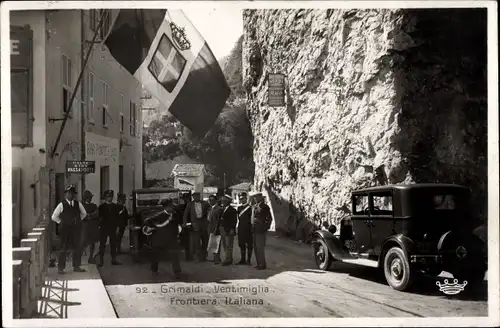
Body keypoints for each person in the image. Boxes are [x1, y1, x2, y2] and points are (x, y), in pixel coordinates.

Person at [51, 184, 88, 274]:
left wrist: (78, 221)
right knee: (63, 247)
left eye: (72, 193)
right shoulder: (61, 204)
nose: (71, 195)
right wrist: (61, 222)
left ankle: (76, 266)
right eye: (69, 193)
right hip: (65, 230)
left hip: (75, 230)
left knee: (77, 247)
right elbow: (54, 217)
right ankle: (61, 268)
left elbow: (84, 214)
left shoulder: (77, 203)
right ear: (66, 194)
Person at [143, 199, 182, 278]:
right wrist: (155, 227)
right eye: (171, 206)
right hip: (159, 239)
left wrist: (176, 235)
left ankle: (177, 272)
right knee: (156, 256)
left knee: (174, 255)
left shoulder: (175, 215)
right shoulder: (159, 215)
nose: (172, 207)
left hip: (171, 239)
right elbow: (147, 220)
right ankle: (154, 271)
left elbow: (177, 225)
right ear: (166, 207)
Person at [183, 192, 209, 262]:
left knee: (205, 240)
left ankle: (204, 256)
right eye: (195, 196)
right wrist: (185, 223)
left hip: (203, 223)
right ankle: (197, 256)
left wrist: (207, 221)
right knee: (196, 242)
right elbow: (186, 214)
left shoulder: (205, 203)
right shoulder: (190, 204)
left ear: (200, 196)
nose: (197, 197)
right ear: (193, 197)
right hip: (195, 224)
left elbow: (209, 211)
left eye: (198, 196)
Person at [97, 190, 121, 267]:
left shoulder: (116, 207)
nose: (109, 198)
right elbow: (99, 218)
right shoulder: (101, 207)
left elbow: (118, 218)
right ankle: (101, 260)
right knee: (102, 244)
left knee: (113, 244)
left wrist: (117, 227)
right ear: (105, 197)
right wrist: (99, 226)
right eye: (108, 196)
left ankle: (114, 259)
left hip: (112, 227)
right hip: (104, 228)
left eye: (110, 196)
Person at [250, 192, 273, 270]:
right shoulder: (254, 206)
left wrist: (265, 227)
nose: (255, 198)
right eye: (254, 197)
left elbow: (269, 218)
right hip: (254, 229)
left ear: (260, 197)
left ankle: (262, 264)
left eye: (256, 197)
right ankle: (258, 263)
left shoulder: (265, 207)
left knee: (260, 247)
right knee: (256, 248)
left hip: (261, 230)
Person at [217, 194, 238, 266]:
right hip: (222, 228)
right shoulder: (222, 209)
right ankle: (229, 258)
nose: (223, 202)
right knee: (225, 245)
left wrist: (232, 229)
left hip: (228, 229)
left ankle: (227, 259)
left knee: (229, 245)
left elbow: (234, 221)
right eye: (222, 200)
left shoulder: (232, 210)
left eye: (225, 200)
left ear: (228, 201)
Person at [81, 190, 100, 264]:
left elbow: (97, 213)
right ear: (85, 198)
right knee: (82, 242)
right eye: (88, 197)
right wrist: (89, 215)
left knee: (92, 243)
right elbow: (82, 215)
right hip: (84, 227)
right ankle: (78, 259)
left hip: (92, 227)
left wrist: (89, 215)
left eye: (90, 197)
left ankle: (91, 257)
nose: (90, 198)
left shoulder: (93, 205)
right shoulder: (81, 205)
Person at [236, 192, 253, 265]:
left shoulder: (250, 207)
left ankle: (248, 260)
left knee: (249, 244)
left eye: (243, 198)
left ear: (246, 198)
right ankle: (242, 260)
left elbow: (251, 218)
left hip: (249, 228)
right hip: (241, 228)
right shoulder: (239, 208)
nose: (242, 200)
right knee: (241, 244)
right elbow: (238, 218)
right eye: (240, 199)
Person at [206, 194, 222, 263]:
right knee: (212, 243)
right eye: (210, 200)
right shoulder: (209, 208)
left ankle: (217, 258)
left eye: (212, 200)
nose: (211, 201)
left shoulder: (218, 209)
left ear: (216, 200)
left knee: (217, 243)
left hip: (215, 227)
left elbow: (218, 220)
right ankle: (215, 257)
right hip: (209, 227)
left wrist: (217, 228)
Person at [178, 192, 192, 261]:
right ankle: (188, 256)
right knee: (186, 243)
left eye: (187, 198)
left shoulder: (189, 206)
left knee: (188, 243)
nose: (186, 199)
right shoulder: (182, 206)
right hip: (184, 227)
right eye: (185, 198)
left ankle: (188, 256)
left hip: (188, 227)